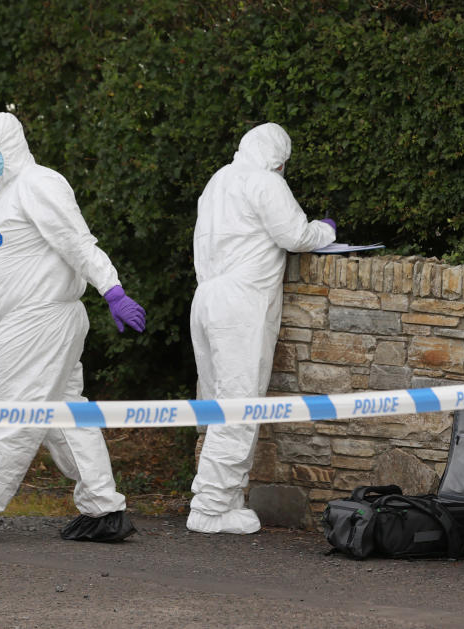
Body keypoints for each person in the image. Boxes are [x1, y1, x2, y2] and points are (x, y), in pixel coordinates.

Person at [0, 112, 146, 543]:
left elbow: (77, 242)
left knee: (7, 412)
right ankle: (104, 510)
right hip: (28, 323)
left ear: (12, 145)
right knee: (65, 416)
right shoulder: (5, 195)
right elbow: (8, 268)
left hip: (40, 321)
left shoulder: (39, 184)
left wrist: (112, 290)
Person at [188, 122, 336, 534]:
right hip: (241, 303)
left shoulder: (218, 180)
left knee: (217, 403)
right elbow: (295, 234)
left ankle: (225, 498)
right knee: (238, 406)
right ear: (278, 157)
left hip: (206, 298)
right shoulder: (265, 182)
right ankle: (211, 508)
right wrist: (327, 229)